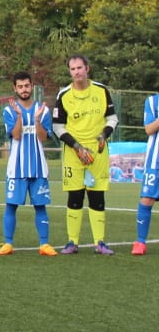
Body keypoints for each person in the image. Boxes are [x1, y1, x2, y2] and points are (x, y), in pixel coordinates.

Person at [51, 54, 118, 255]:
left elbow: (112, 118)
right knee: (75, 196)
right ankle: (72, 242)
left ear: (87, 68)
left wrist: (104, 135)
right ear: (70, 71)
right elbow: (57, 127)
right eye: (73, 69)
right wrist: (76, 146)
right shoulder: (64, 95)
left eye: (80, 68)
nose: (77, 72)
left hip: (97, 151)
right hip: (74, 153)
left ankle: (100, 242)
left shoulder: (101, 90)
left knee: (97, 197)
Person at [0, 71, 56, 256]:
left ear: (32, 86)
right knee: (11, 205)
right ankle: (8, 243)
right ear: (15, 88)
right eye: (20, 86)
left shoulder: (43, 110)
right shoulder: (9, 110)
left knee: (40, 205)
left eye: (27, 86)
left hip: (39, 167)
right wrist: (18, 117)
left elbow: (42, 137)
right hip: (17, 167)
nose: (24, 89)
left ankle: (44, 244)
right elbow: (15, 135)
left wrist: (37, 119)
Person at [132, 91, 159, 256]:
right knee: (147, 199)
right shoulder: (152, 101)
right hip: (156, 160)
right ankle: (140, 242)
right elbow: (149, 129)